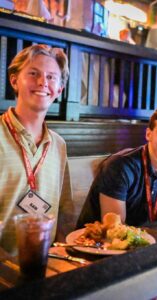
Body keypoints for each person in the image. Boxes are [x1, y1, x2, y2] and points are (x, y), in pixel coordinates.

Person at [0, 44, 74, 254]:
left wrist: (61, 255)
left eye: (51, 77)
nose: (43, 82)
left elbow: (65, 209)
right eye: (34, 73)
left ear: (59, 89)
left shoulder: (58, 144)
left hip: (45, 265)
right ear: (14, 80)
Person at [77, 105, 157, 228]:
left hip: (140, 241)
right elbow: (115, 229)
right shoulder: (120, 166)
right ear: (148, 134)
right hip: (94, 243)